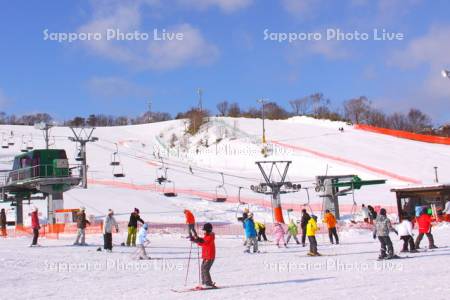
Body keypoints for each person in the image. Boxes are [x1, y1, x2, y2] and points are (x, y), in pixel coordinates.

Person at [191, 223, 216, 289]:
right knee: (203, 268)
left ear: (208, 230)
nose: (204, 231)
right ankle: (204, 282)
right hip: (206, 255)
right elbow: (202, 243)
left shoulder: (210, 236)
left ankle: (208, 283)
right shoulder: (207, 236)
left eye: (205, 230)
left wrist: (197, 240)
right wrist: (195, 240)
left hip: (210, 256)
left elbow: (205, 242)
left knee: (205, 268)